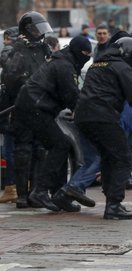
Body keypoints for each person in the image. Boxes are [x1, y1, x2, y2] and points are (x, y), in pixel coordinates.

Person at [73, 37, 132, 220]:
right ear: (127, 53)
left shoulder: (97, 64)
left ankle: (111, 201)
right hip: (103, 117)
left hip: (83, 118)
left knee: (108, 157)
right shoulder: (122, 68)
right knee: (122, 157)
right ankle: (113, 205)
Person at [12, 36, 92, 212]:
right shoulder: (64, 65)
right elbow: (71, 94)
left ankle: (57, 193)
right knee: (60, 145)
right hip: (36, 107)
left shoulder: (64, 60)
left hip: (31, 105)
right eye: (85, 53)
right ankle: (41, 191)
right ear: (78, 51)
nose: (87, 56)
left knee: (58, 145)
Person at [1, 11, 53, 209]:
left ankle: (36, 192)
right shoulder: (16, 49)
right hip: (21, 107)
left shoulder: (45, 49)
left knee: (40, 151)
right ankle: (22, 194)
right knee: (22, 151)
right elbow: (10, 75)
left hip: (42, 108)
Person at [0, 26, 19, 204]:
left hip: (11, 111)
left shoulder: (10, 51)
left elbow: (5, 62)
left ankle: (11, 187)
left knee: (10, 150)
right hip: (20, 109)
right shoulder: (29, 52)